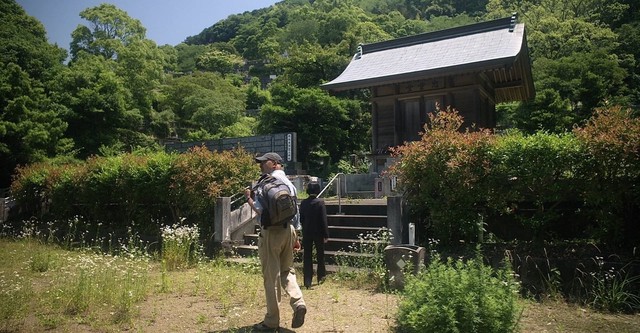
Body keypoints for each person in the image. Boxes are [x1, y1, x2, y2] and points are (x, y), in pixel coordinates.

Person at [245, 152, 306, 331]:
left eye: (263, 163)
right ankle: (298, 303)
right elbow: (296, 210)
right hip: (289, 230)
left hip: (271, 234)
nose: (261, 166)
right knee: (287, 271)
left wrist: (248, 197)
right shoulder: (289, 184)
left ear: (273, 163)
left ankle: (271, 321)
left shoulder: (265, 183)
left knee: (271, 278)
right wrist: (296, 236)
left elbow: (260, 210)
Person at [299, 179, 329, 289]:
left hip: (306, 232)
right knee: (320, 255)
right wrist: (326, 234)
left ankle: (307, 280)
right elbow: (323, 220)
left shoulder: (303, 203)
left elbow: (301, 218)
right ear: (317, 190)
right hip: (318, 232)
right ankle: (321, 277)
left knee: (307, 256)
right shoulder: (320, 203)